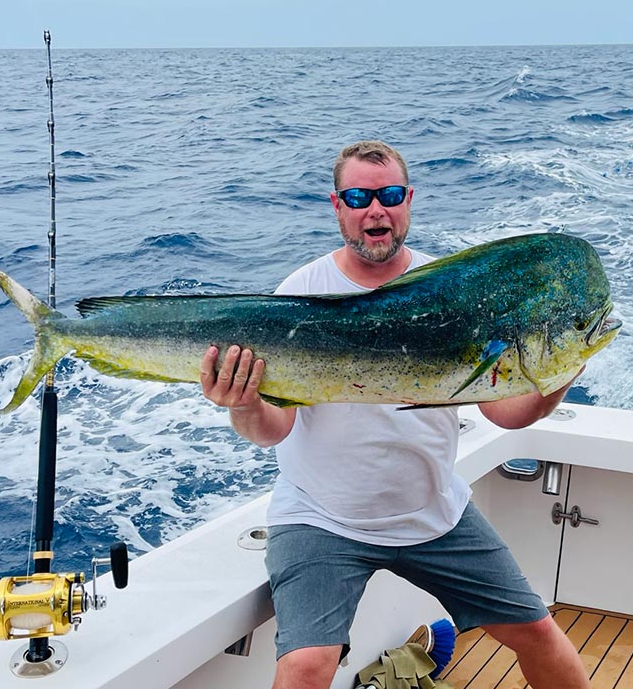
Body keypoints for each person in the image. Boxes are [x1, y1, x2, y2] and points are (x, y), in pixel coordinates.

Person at [200, 141, 590, 689]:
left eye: (387, 195)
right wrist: (243, 403)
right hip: (321, 517)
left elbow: (506, 415)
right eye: (358, 196)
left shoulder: (454, 292)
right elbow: (275, 429)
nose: (374, 210)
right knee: (306, 668)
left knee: (539, 634)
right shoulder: (301, 294)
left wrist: (555, 377)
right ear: (338, 206)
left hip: (432, 514)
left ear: (408, 201)